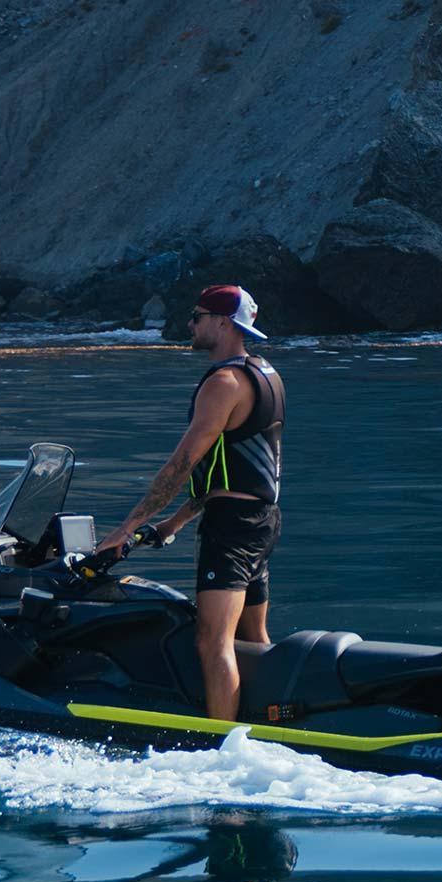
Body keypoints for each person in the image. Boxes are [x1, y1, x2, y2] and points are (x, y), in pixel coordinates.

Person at [98, 285, 287, 721]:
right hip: (261, 521)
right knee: (252, 634)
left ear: (223, 323)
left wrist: (125, 530)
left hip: (232, 528)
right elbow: (235, 470)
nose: (190, 324)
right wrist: (176, 522)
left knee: (212, 640)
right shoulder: (266, 374)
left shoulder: (223, 383)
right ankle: (271, 719)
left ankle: (222, 747)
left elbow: (183, 463)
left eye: (197, 315)